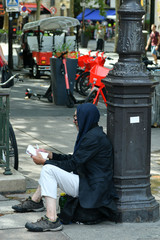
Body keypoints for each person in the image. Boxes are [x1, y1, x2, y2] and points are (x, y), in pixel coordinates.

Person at [12, 103, 118, 232]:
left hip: (91, 188)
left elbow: (71, 165)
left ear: (86, 118)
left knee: (48, 170)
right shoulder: (91, 133)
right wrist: (51, 155)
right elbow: (74, 159)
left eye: (77, 117)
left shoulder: (94, 138)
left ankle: (51, 219)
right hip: (86, 180)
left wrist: (44, 162)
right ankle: (36, 201)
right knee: (51, 168)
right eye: (73, 117)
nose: (74, 121)